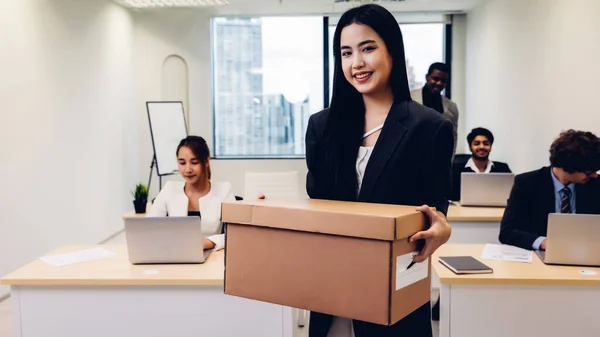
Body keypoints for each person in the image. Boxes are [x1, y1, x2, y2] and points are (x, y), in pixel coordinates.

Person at [305, 4, 454, 337]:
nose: (356, 63)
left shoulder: (429, 127)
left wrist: (441, 229)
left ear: (393, 52)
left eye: (367, 48)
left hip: (395, 297)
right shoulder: (321, 126)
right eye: (346, 53)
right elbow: (316, 207)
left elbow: (434, 212)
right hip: (332, 294)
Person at [499, 129, 600, 250]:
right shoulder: (527, 183)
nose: (594, 175)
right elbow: (507, 232)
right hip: (540, 259)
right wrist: (544, 243)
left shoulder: (596, 185)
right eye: (589, 172)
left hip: (586, 254)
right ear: (568, 167)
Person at [147, 135, 235, 251]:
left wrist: (209, 242)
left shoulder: (224, 190)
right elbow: (148, 227)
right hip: (176, 254)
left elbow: (237, 233)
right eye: (182, 163)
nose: (188, 169)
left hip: (211, 256)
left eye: (194, 162)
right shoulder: (170, 189)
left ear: (206, 161)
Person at [450, 127, 512, 201]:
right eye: (477, 144)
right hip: (463, 210)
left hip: (496, 211)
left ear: (490, 147)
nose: (481, 147)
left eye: (486, 144)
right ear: (470, 147)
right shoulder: (456, 169)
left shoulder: (503, 169)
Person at [411, 62, 459, 155]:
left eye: (443, 81)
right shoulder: (410, 98)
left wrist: (449, 162)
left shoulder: (452, 107)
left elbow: (453, 138)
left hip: (438, 158)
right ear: (427, 77)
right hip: (412, 156)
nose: (439, 83)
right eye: (435, 79)